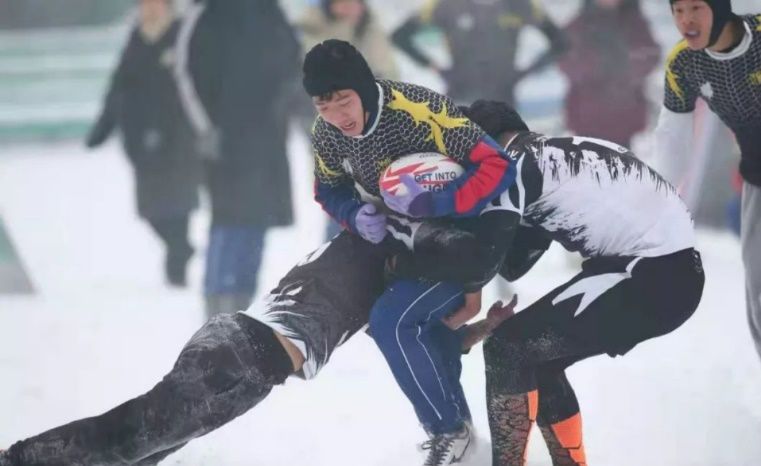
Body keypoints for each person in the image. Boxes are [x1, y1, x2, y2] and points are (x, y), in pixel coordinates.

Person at [0, 40, 518, 466]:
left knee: (145, 444)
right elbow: (424, 292)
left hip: (236, 343)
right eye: (323, 104)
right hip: (242, 360)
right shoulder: (386, 244)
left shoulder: (396, 235)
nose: (335, 115)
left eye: (342, 101)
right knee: (126, 438)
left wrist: (473, 320)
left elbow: (427, 320)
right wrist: (361, 214)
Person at [378, 99, 705, 465]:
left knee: (507, 349)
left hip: (649, 273)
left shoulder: (513, 167)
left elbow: (483, 262)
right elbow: (514, 264)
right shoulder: (549, 156)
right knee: (535, 358)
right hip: (670, 271)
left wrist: (413, 252)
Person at [174, 0, 301, 317]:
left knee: (258, 221)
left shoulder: (270, 10)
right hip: (225, 141)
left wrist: (288, 104)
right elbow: (184, 73)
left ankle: (241, 307)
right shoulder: (205, 12)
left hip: (269, 139)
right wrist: (206, 130)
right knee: (230, 222)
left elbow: (293, 61)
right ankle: (217, 309)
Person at [653, 0, 761, 360]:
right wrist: (656, 206)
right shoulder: (684, 63)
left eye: (697, 8)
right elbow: (673, 137)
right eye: (678, 10)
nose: (686, 20)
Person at [86, 0, 201, 287]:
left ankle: (177, 273)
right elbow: (119, 86)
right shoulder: (136, 37)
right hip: (141, 140)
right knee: (151, 211)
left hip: (179, 138)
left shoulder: (181, 34)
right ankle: (181, 248)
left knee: (179, 204)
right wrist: (103, 128)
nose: (149, 8)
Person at [295, 0, 399, 239]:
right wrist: (344, 28)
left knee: (381, 211)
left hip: (378, 132)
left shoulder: (372, 29)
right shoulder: (312, 29)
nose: (350, 7)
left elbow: (389, 74)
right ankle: (337, 261)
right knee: (343, 204)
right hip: (333, 134)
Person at [391, 0, 567, 105]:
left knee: (503, 162)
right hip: (461, 99)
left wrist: (526, 72)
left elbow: (560, 42)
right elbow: (400, 36)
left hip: (503, 102)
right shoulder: (447, 5)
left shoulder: (519, 5)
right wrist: (435, 68)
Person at [558, 0, 660, 148]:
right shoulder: (580, 24)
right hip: (587, 117)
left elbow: (650, 54)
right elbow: (563, 57)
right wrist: (594, 64)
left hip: (623, 115)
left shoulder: (635, 23)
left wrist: (627, 66)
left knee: (622, 166)